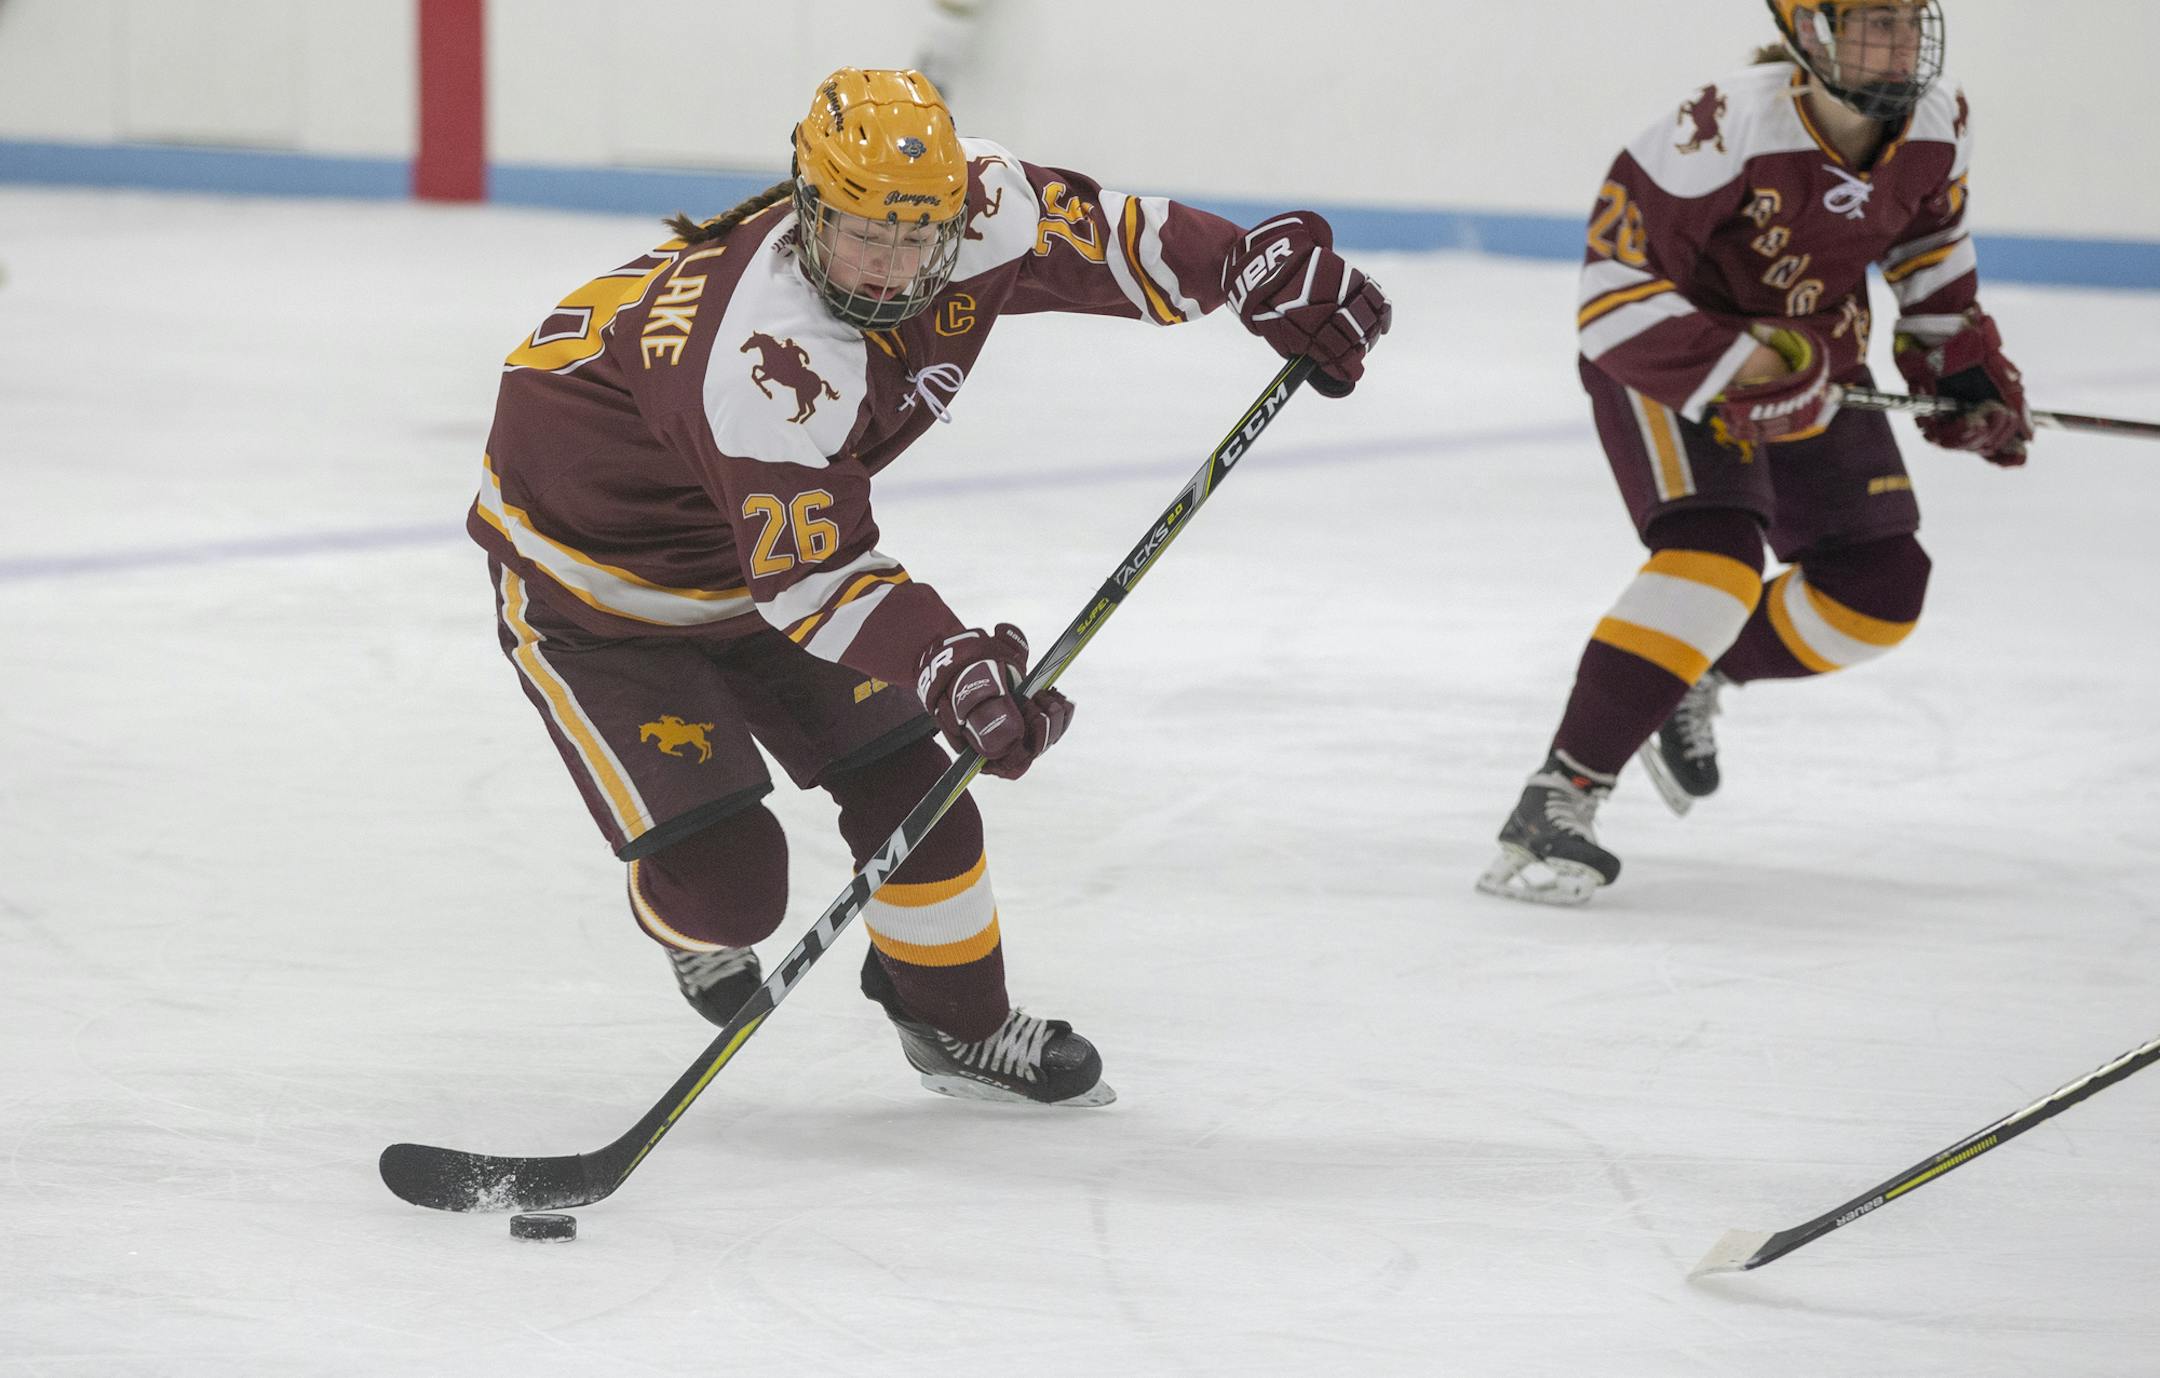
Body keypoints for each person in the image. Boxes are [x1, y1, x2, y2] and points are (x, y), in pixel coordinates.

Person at [469, 68, 1390, 1100]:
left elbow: (1125, 244)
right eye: (866, 235)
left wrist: (1253, 265)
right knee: (731, 892)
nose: (896, 267)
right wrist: (947, 662)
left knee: (923, 805)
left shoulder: (979, 204)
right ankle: (684, 912)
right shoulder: (761, 358)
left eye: (920, 239)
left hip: (764, 564)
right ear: (808, 205)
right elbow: (817, 588)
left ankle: (959, 1026)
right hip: (603, 602)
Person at [1478, 0, 2029, 906]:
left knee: (1880, 590)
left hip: (1815, 354)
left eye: (1906, 20)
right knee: (1715, 560)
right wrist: (1748, 365)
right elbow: (1613, 295)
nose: (1894, 44)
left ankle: (1693, 672)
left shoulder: (1940, 121)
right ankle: (1560, 794)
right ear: (1810, 32)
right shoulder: (1723, 126)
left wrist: (1952, 358)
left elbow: (1930, 243)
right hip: (1667, 356)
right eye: (1870, 21)